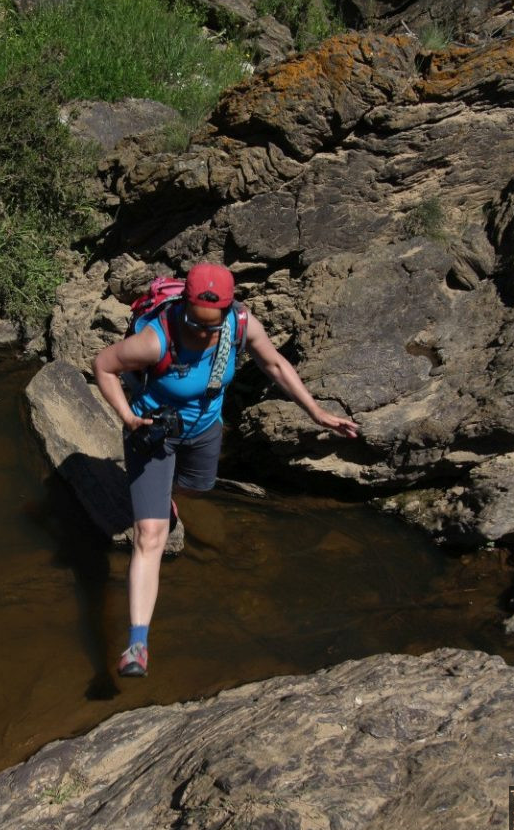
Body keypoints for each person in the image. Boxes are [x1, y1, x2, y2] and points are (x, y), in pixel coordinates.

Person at [92, 262, 360, 677]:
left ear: (228, 311)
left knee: (199, 487)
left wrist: (316, 412)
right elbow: (103, 365)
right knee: (150, 536)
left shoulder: (240, 324)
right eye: (196, 325)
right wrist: (129, 419)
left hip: (205, 430)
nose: (204, 335)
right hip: (153, 433)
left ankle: (166, 498)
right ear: (184, 308)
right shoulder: (155, 340)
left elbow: (274, 365)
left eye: (211, 327)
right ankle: (137, 644)